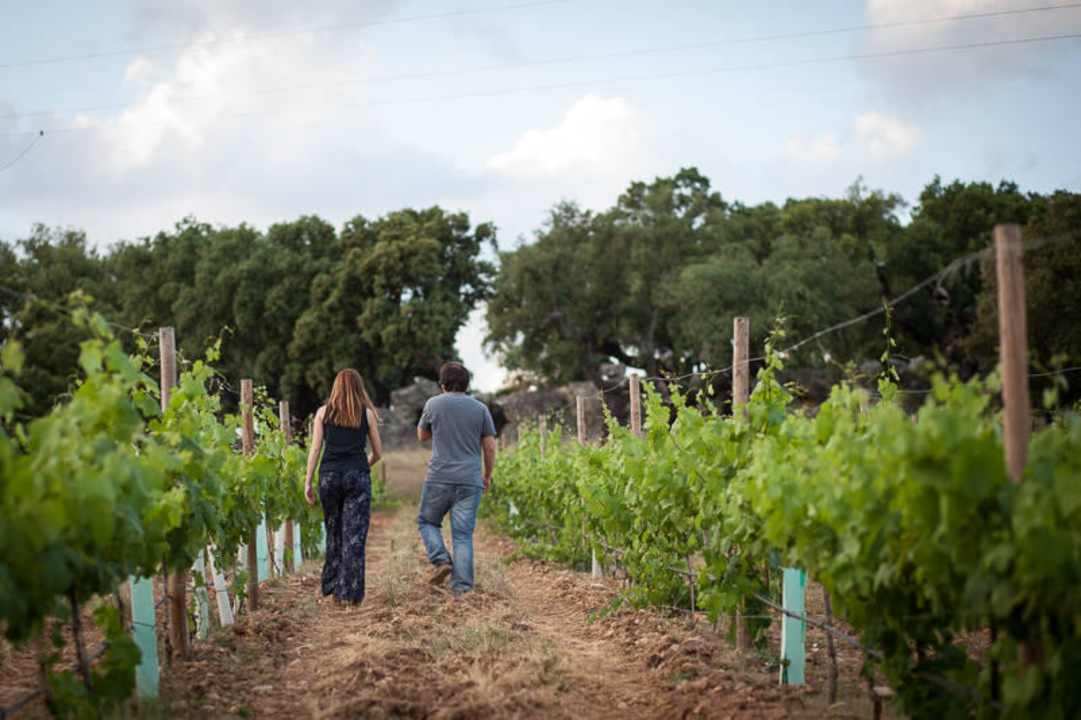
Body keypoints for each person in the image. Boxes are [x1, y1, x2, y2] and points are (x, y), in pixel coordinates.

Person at [416, 361, 497, 596]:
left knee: (428, 522)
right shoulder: (480, 408)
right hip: (470, 479)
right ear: (467, 384)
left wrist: (439, 427)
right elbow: (490, 447)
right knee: (462, 535)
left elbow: (422, 435)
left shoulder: (433, 404)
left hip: (439, 477)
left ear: (442, 384)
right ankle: (462, 589)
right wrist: (487, 475)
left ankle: (441, 560)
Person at [304, 368, 382, 605]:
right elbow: (378, 452)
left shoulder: (322, 413)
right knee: (354, 537)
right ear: (359, 388)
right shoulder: (366, 415)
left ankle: (333, 588)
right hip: (357, 475)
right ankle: (351, 593)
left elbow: (315, 449)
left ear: (335, 387)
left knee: (334, 532)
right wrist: (362, 465)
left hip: (328, 477)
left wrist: (308, 480)